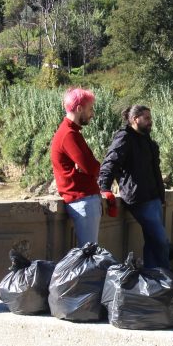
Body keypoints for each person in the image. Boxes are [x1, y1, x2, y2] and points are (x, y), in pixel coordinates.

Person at [99, 104, 170, 269]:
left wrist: (161, 195)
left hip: (153, 197)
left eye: (150, 118)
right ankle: (166, 278)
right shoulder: (124, 137)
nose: (150, 122)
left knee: (153, 241)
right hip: (138, 197)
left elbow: (154, 171)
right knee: (160, 240)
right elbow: (110, 162)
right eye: (146, 118)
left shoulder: (147, 141)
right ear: (134, 119)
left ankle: (154, 279)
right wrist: (104, 188)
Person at [50, 87, 102, 246]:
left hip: (81, 199)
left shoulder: (69, 132)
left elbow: (88, 166)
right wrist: (92, 168)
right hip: (83, 199)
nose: (92, 113)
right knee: (89, 256)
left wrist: (88, 168)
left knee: (87, 256)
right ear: (79, 108)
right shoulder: (69, 134)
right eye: (90, 109)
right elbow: (91, 167)